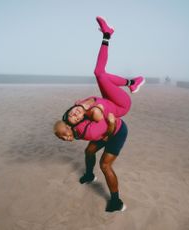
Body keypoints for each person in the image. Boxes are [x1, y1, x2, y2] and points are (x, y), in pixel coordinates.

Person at [54, 16, 145, 212]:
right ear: (71, 131)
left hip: (110, 104)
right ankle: (110, 196)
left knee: (100, 74)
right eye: (75, 117)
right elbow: (107, 132)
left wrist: (88, 106)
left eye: (74, 113)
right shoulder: (88, 130)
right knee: (99, 160)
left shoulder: (79, 109)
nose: (76, 113)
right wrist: (106, 117)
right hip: (118, 116)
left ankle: (131, 81)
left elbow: (89, 106)